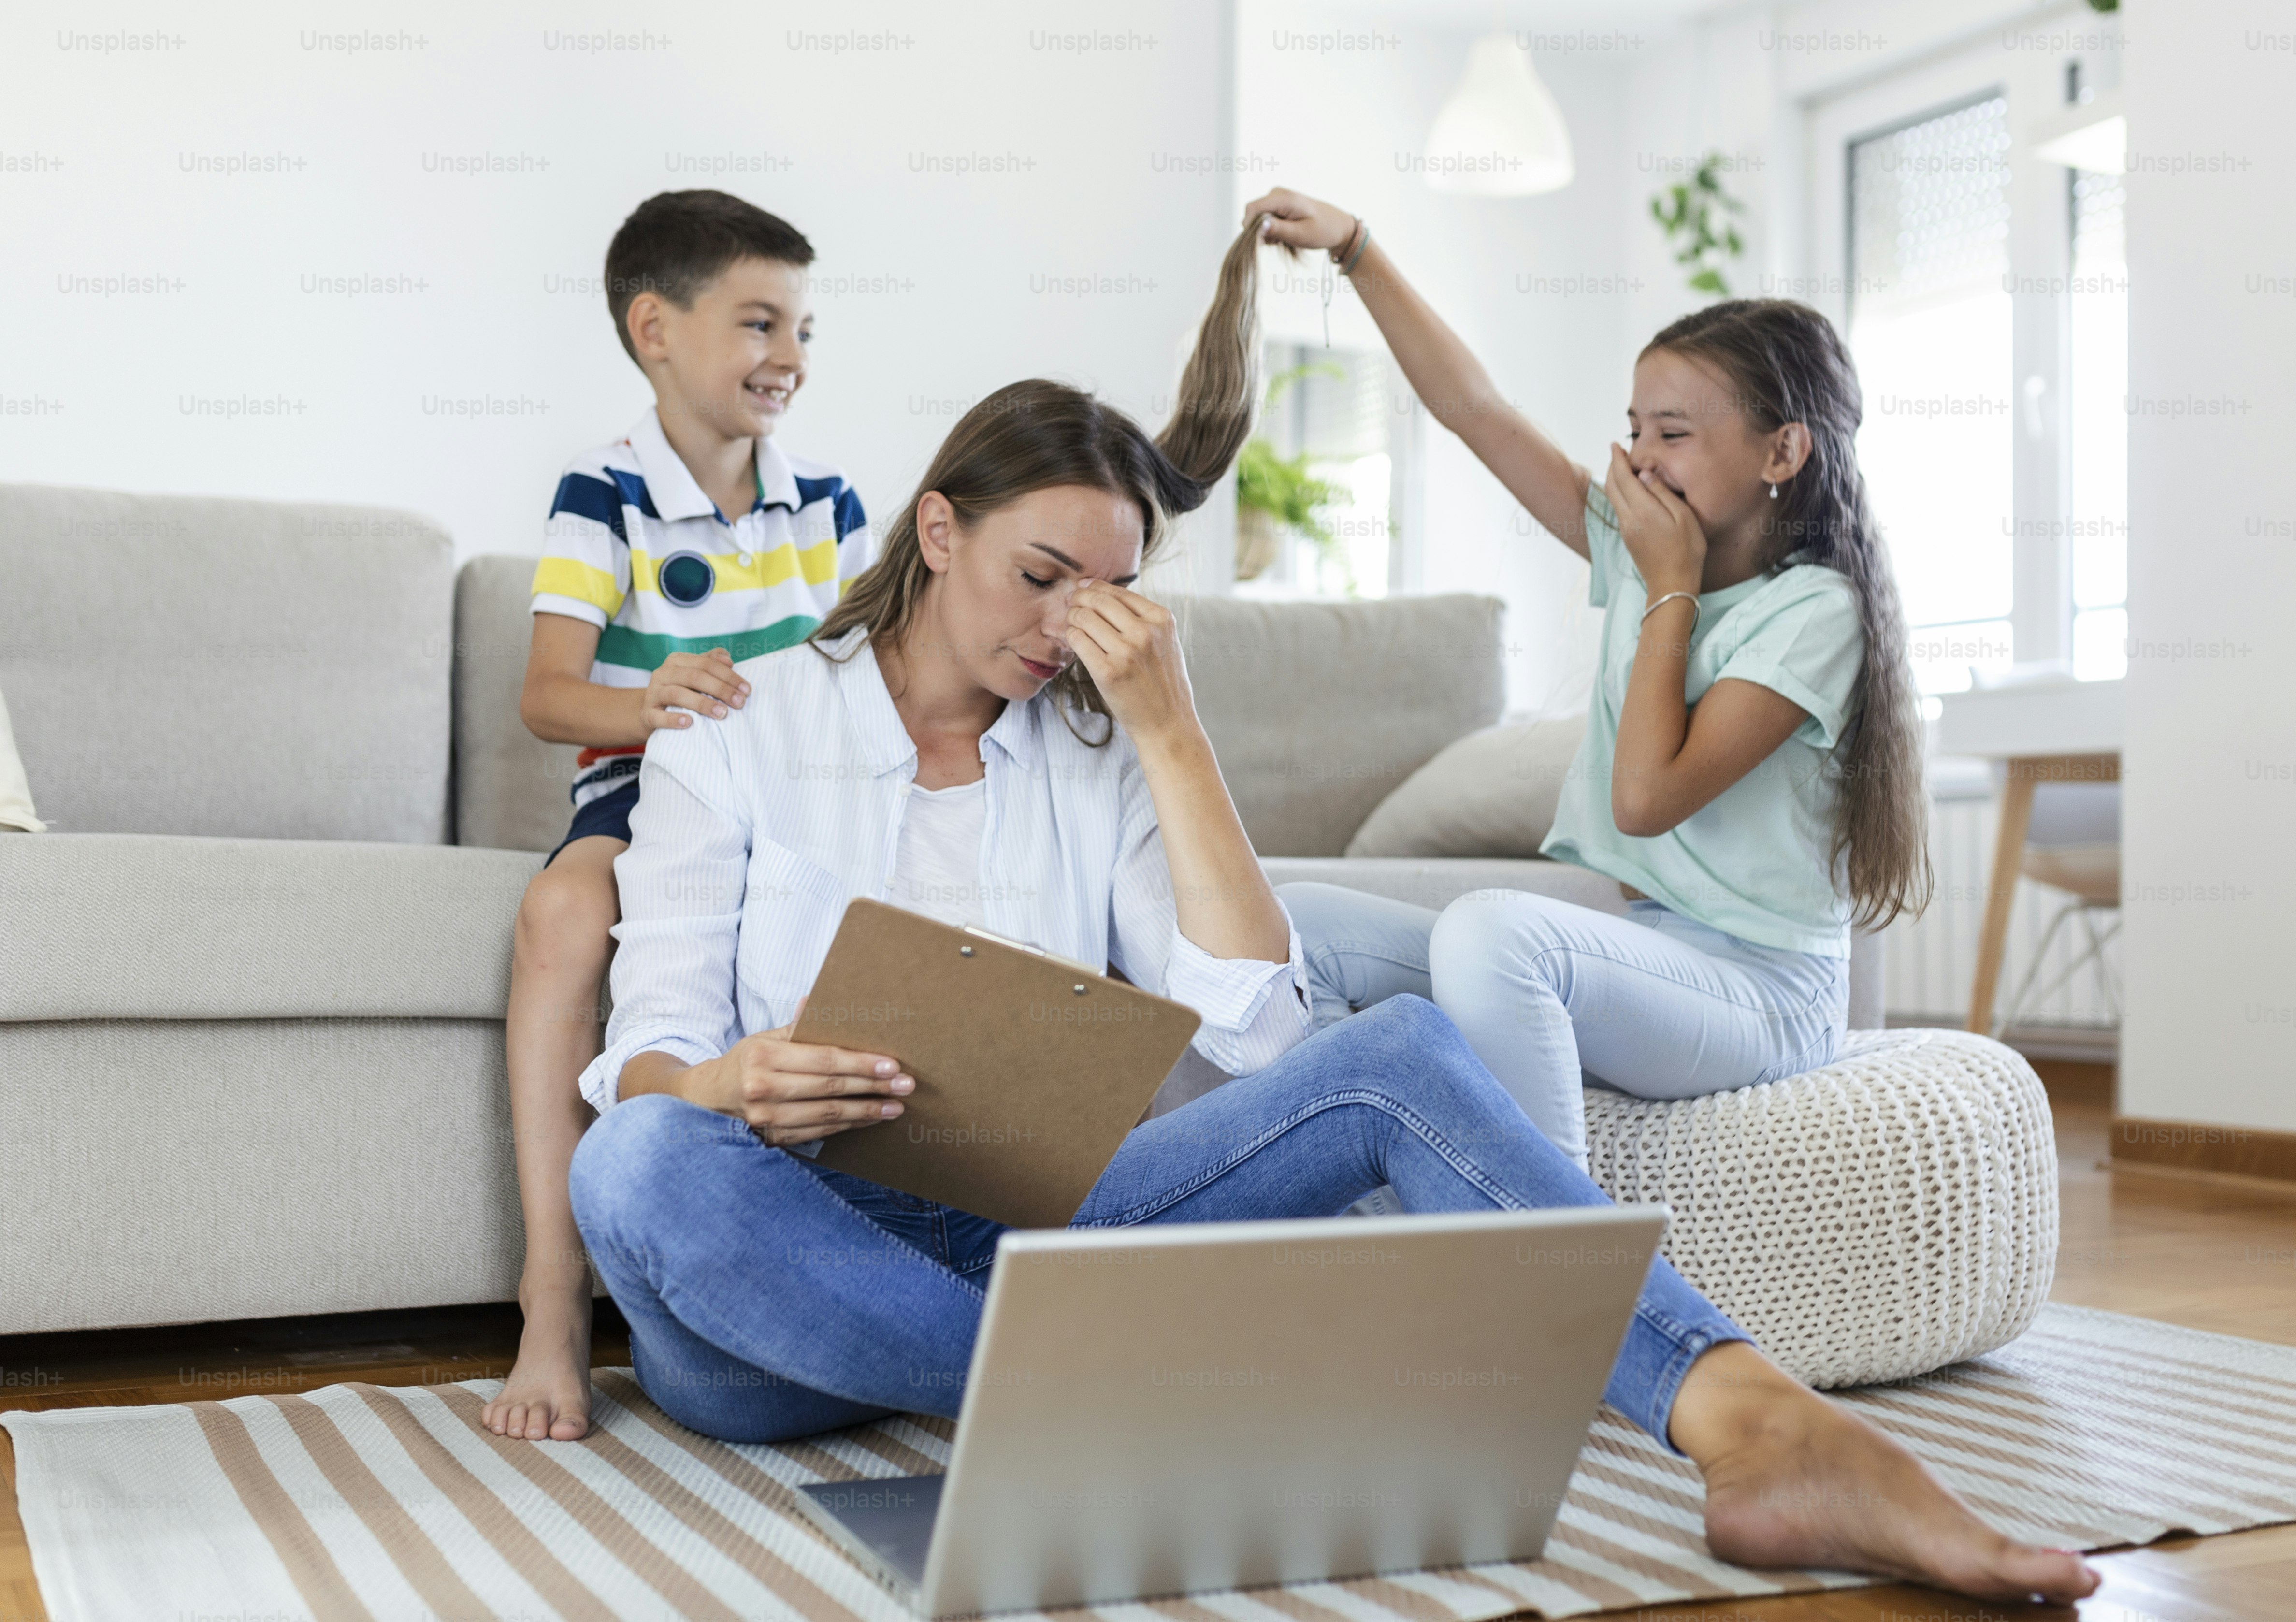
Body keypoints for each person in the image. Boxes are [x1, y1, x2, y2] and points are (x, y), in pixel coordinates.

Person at [563, 216, 2095, 1606]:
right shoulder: (736, 721)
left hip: (1048, 1234)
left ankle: (1755, 1420)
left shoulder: (1100, 740)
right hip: (781, 1275)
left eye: (1106, 596)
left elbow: (1259, 1020)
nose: (1065, 630)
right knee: (637, 1157)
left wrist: (1170, 732)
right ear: (940, 530)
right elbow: (648, 1050)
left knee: (1402, 1051)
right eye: (1038, 575)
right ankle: (1123, 1399)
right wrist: (718, 1085)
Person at [1245, 187, 1931, 1173]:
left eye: (1674, 433)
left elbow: (1646, 797)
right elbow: (1474, 411)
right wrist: (1358, 250)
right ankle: (1362, 1201)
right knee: (1292, 921)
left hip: (1767, 995)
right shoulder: (1645, 549)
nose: (1636, 460)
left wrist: (1668, 588)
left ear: (1781, 450)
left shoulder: (1814, 613)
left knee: (1495, 934)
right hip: (1652, 950)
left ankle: (1550, 1255)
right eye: (1633, 427)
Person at [483, 190, 877, 1443]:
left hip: (796, 796)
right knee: (560, 907)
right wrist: (645, 696)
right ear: (656, 329)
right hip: (641, 778)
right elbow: (548, 695)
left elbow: (865, 670)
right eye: (760, 322)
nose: (791, 358)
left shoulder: (828, 502)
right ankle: (555, 1305)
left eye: (803, 328)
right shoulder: (601, 496)